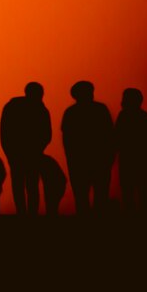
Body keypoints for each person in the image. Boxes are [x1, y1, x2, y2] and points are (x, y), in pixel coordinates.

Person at [61, 80, 115, 216]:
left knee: (84, 199)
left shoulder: (71, 113)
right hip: (92, 161)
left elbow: (67, 140)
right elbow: (110, 136)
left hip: (84, 162)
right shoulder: (100, 110)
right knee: (92, 198)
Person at [0, 81, 52, 215]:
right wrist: (38, 149)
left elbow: (4, 132)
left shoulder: (13, 107)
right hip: (24, 153)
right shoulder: (38, 109)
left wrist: (10, 151)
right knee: (30, 184)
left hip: (22, 153)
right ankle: (27, 213)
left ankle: (23, 212)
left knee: (23, 184)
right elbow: (46, 134)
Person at [114, 88, 147, 215]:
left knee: (131, 197)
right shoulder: (145, 118)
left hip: (130, 163)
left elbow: (116, 140)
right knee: (142, 197)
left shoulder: (124, 117)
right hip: (140, 164)